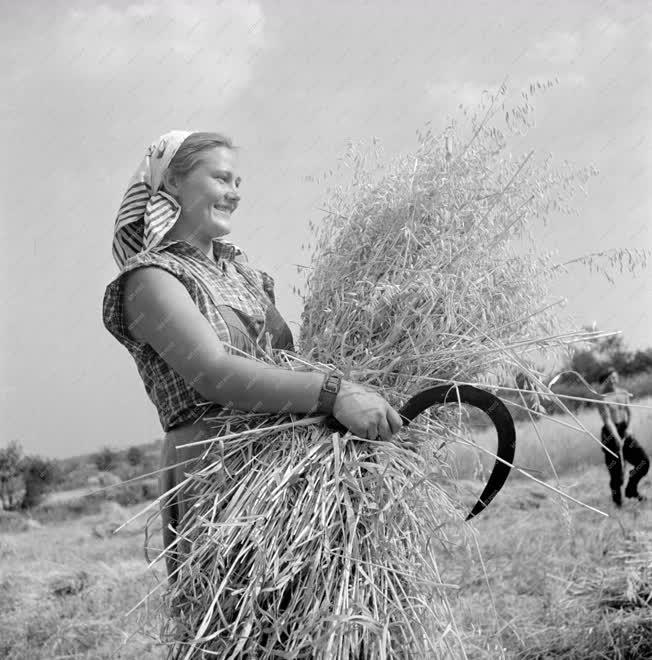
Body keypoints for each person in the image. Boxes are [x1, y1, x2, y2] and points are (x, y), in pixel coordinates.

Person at [102, 130, 403, 585]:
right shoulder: (150, 279)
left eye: (239, 181)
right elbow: (215, 374)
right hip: (218, 474)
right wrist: (335, 392)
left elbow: (284, 361)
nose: (235, 193)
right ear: (175, 184)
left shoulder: (241, 269)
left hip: (292, 464)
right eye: (221, 178)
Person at [597, 368, 649, 506]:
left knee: (643, 462)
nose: (613, 380)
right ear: (604, 381)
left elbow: (630, 413)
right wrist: (616, 438)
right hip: (610, 433)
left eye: (615, 377)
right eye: (609, 378)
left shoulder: (623, 393)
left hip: (625, 429)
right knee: (616, 473)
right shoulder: (602, 398)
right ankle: (617, 501)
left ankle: (631, 489)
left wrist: (629, 428)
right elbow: (607, 420)